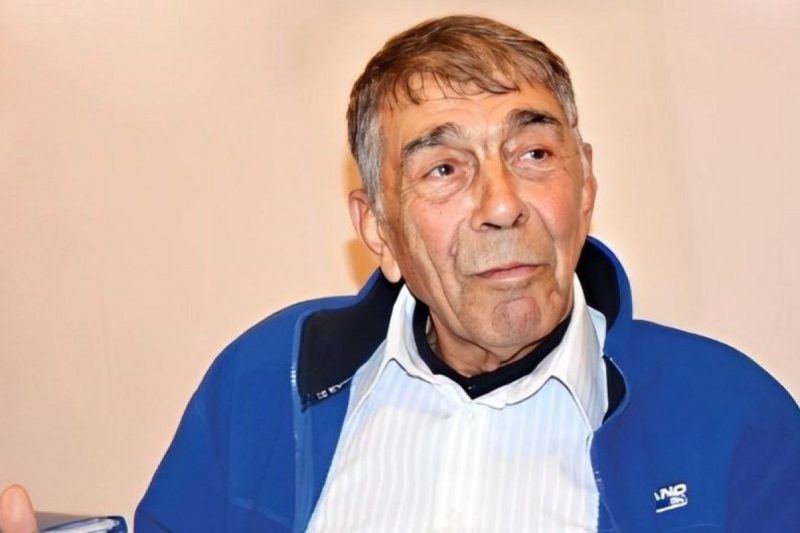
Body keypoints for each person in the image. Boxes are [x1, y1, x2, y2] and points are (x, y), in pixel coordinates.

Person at [2, 14, 798, 533]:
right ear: (378, 229)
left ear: (584, 185)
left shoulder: (732, 416)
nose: (502, 204)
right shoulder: (263, 383)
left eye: (533, 153)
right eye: (444, 169)